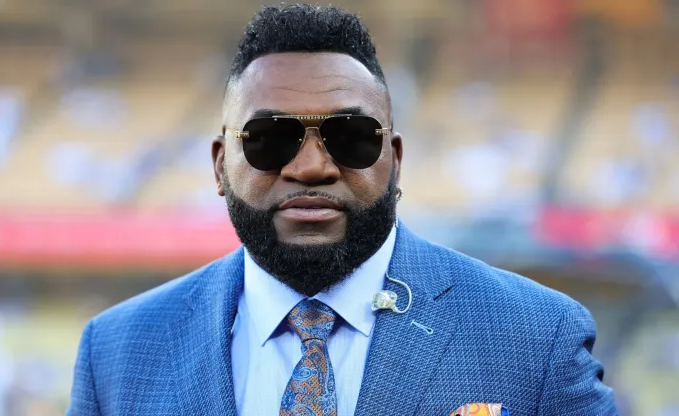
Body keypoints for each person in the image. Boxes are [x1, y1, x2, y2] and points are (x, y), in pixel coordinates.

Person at [67, 4, 617, 415]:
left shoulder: (535, 338)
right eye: (268, 139)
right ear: (219, 165)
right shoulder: (114, 354)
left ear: (394, 161)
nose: (310, 167)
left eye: (351, 137)